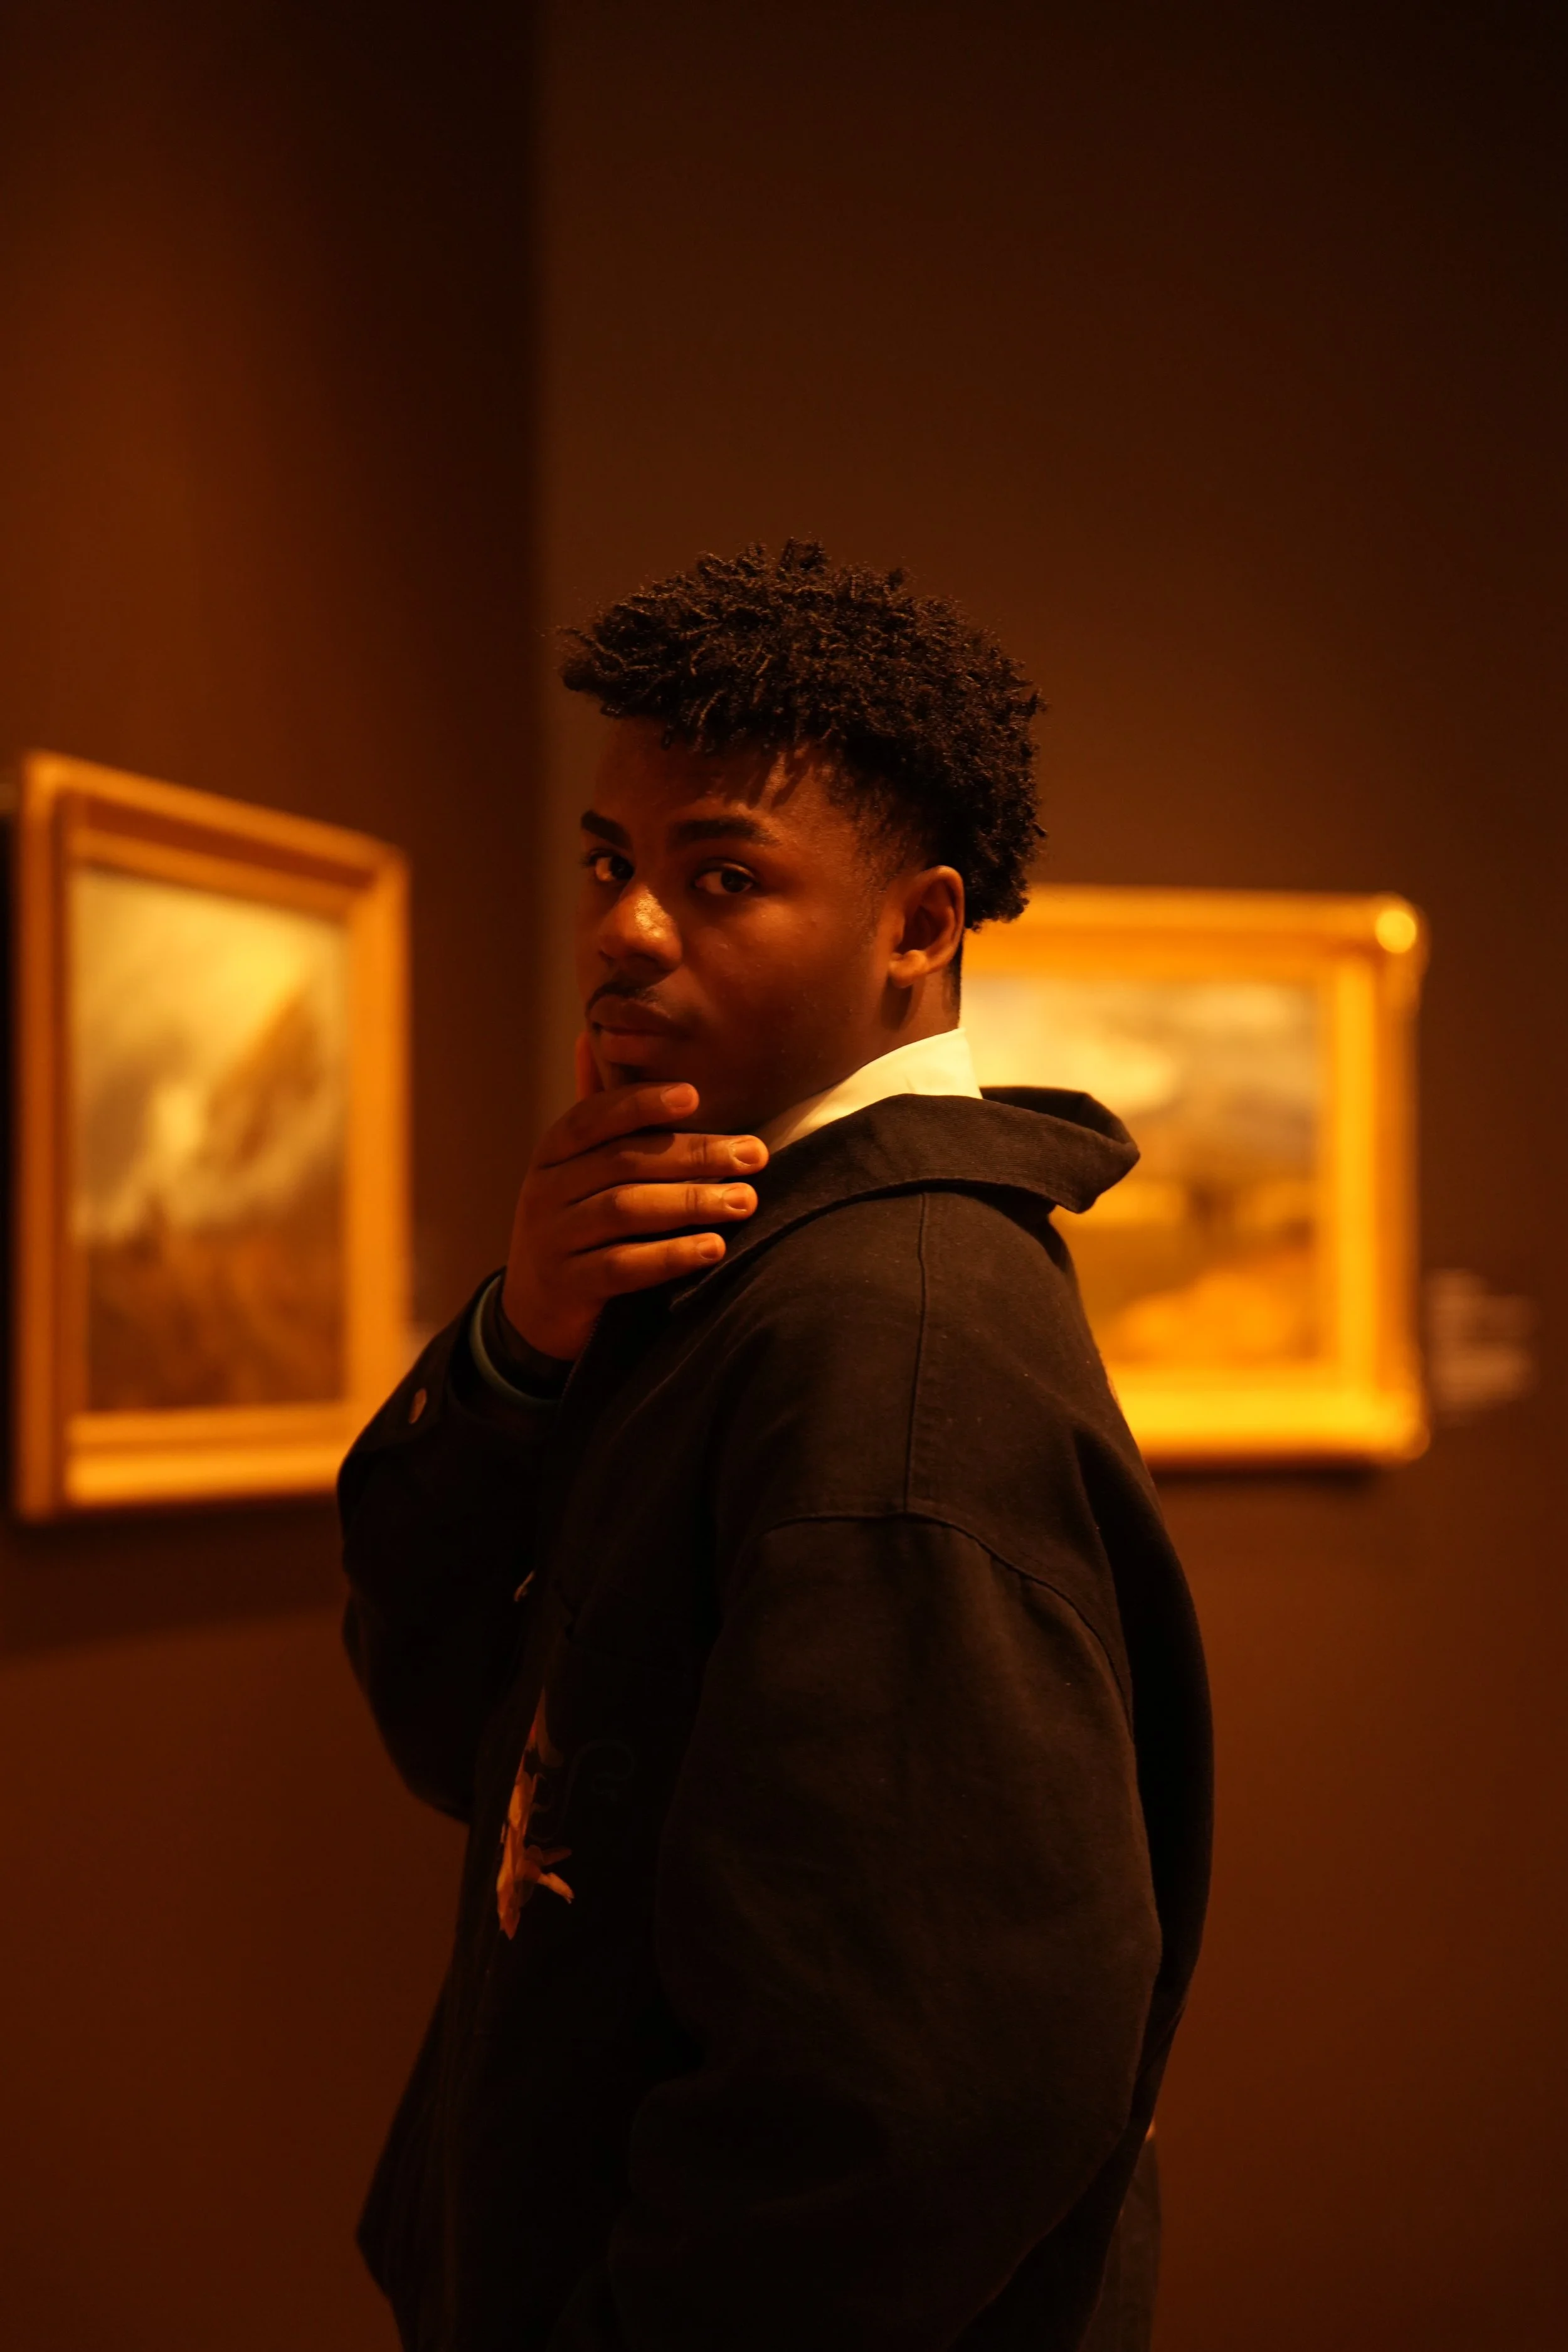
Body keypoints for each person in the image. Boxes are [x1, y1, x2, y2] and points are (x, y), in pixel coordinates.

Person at [341, 542, 1212, 2352]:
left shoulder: (885, 1340)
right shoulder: (738, 1270)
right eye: (613, 862)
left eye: (718, 874)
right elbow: (481, 1736)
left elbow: (923, 2097)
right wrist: (515, 1349)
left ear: (919, 926)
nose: (622, 928)